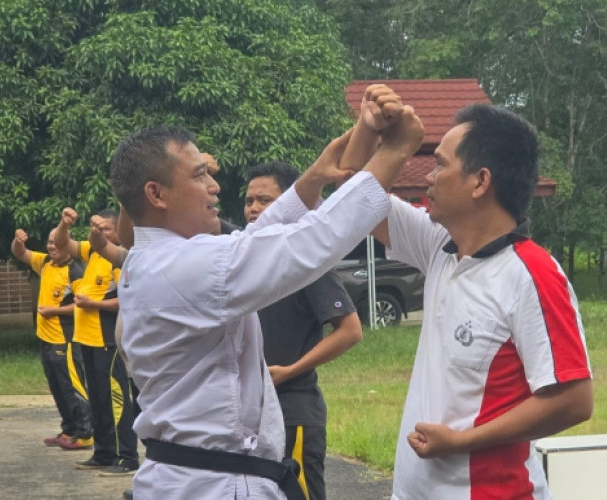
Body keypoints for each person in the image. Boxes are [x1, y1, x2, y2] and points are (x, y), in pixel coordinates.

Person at [108, 85, 424, 499]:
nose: (214, 187)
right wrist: (394, 152)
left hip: (191, 479)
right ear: (156, 193)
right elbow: (314, 242)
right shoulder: (184, 266)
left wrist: (312, 179)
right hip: (214, 486)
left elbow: (259, 235)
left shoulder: (153, 263)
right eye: (200, 175)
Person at [344, 97, 593, 499]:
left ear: (480, 182)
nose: (428, 176)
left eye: (441, 164)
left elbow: (574, 400)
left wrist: (461, 441)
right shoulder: (440, 246)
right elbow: (353, 199)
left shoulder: (532, 274)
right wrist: (369, 129)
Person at [244, 161, 363, 499]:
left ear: (290, 204)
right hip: (252, 413)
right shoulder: (246, 256)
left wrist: (290, 371)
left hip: (293, 410)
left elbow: (350, 330)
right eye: (249, 200)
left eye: (265, 201)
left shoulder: (306, 262)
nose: (254, 208)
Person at [53, 209, 139, 475]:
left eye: (107, 229)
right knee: (98, 399)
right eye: (97, 229)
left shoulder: (119, 259)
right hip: (86, 338)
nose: (101, 234)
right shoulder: (92, 252)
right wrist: (65, 225)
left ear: (119, 230)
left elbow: (128, 298)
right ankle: (103, 453)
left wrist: (94, 304)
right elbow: (61, 243)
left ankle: (126, 458)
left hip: (108, 340)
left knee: (116, 400)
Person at [10, 228, 93, 449]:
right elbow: (21, 253)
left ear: (67, 244)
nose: (52, 246)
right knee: (57, 387)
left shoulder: (75, 271)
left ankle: (85, 433)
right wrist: (18, 241)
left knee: (72, 387)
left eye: (57, 242)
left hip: (64, 340)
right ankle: (69, 430)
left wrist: (54, 311)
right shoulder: (45, 263)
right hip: (46, 339)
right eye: (49, 242)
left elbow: (81, 305)